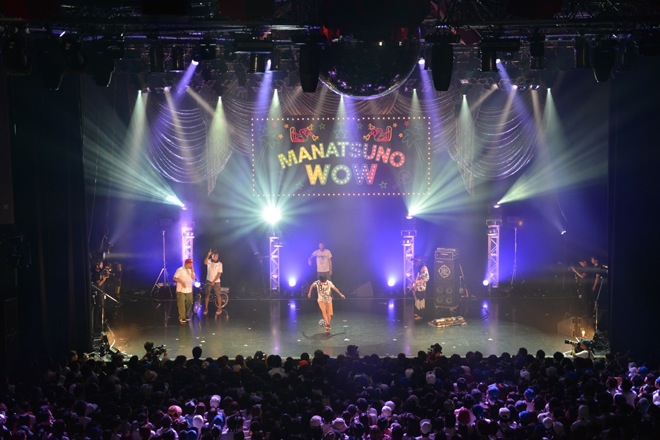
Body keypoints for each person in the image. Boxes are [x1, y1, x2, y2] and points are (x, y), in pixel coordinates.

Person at [173, 258, 196, 324]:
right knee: (181, 304)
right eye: (190, 264)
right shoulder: (180, 269)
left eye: (192, 264)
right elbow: (174, 278)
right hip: (181, 290)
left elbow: (193, 278)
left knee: (189, 302)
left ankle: (186, 315)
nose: (191, 265)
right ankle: (182, 317)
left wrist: (192, 271)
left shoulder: (191, 270)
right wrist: (181, 282)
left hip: (189, 289)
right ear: (187, 264)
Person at [203, 249, 223, 316]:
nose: (215, 257)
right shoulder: (209, 261)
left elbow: (219, 274)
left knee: (218, 295)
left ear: (218, 256)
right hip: (208, 280)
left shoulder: (220, 264)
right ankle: (206, 308)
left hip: (216, 282)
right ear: (212, 256)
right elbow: (205, 262)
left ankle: (219, 308)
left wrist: (214, 281)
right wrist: (208, 255)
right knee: (207, 294)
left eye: (216, 256)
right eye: (214, 256)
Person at [411, 256, 429, 321]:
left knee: (420, 300)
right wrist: (411, 285)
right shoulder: (416, 268)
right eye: (414, 261)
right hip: (416, 287)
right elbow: (415, 278)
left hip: (421, 287)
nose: (414, 263)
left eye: (416, 261)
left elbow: (427, 278)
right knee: (416, 300)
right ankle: (417, 313)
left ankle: (421, 315)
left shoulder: (424, 268)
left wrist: (418, 281)